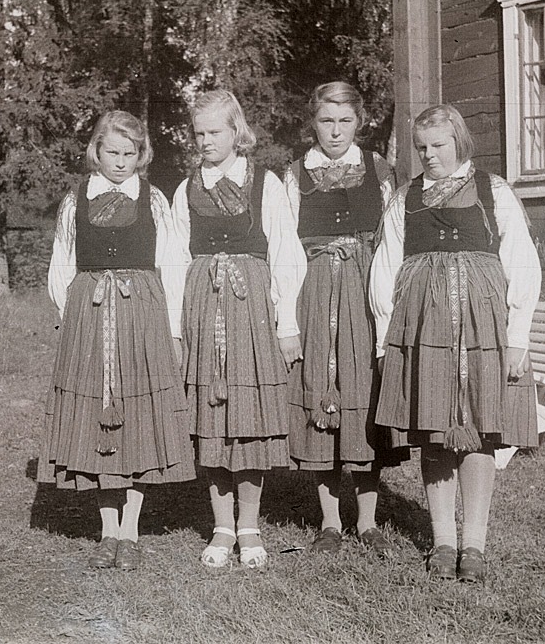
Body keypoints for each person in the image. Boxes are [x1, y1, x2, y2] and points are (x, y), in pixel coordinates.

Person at [369, 104, 541, 585]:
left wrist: (518, 338)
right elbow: (385, 271)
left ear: (459, 143)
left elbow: (522, 262)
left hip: (484, 330)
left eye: (438, 145)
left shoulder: (494, 191)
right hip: (425, 333)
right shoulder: (404, 199)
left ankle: (475, 545)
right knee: (435, 432)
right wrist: (388, 342)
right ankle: (443, 541)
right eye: (421, 147)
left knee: (481, 431)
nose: (429, 155)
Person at [39, 110, 195, 571]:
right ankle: (107, 530)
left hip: (141, 314)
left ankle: (132, 530)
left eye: (130, 154)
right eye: (112, 152)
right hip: (89, 315)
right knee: (97, 420)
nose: (121, 162)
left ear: (141, 155)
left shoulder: (154, 199)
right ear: (96, 151)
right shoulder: (76, 200)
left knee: (137, 416)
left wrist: (171, 330)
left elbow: (172, 264)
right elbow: (61, 267)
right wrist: (70, 323)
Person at [172, 89, 305, 569]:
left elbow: (288, 254)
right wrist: (176, 330)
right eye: (199, 133)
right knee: (212, 418)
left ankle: (248, 526)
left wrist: (286, 322)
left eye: (214, 132)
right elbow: (173, 263)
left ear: (236, 133)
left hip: (251, 311)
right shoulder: (185, 189)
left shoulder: (264, 183)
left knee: (247, 420)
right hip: (203, 310)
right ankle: (221, 526)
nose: (205, 141)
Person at [283, 82, 405, 557]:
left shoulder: (379, 170)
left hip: (365, 292)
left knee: (364, 397)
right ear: (312, 122)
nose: (335, 132)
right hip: (315, 294)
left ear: (361, 121)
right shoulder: (295, 174)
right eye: (326, 121)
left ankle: (369, 520)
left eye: (345, 121)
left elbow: (395, 243)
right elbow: (284, 250)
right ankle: (330, 522)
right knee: (322, 393)